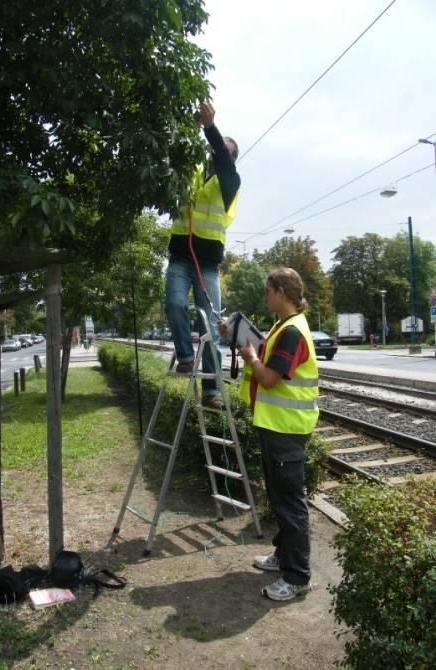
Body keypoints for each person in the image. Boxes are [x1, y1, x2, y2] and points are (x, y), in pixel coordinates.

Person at [223, 267, 319, 602]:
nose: (264, 297)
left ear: (281, 291)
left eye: (267, 291)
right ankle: (282, 555)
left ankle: (297, 577)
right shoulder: (281, 327)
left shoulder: (292, 331)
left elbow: (268, 379)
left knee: (291, 504)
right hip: (275, 425)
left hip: (286, 430)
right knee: (280, 499)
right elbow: (263, 372)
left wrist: (250, 356)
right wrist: (247, 353)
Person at [165, 101, 241, 410]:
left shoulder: (231, 183)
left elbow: (221, 158)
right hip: (181, 257)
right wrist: (190, 125)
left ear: (231, 159)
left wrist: (210, 128)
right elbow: (174, 152)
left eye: (223, 148)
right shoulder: (193, 172)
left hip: (207, 264)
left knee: (210, 325)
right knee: (174, 303)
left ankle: (212, 390)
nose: (215, 150)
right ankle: (185, 357)